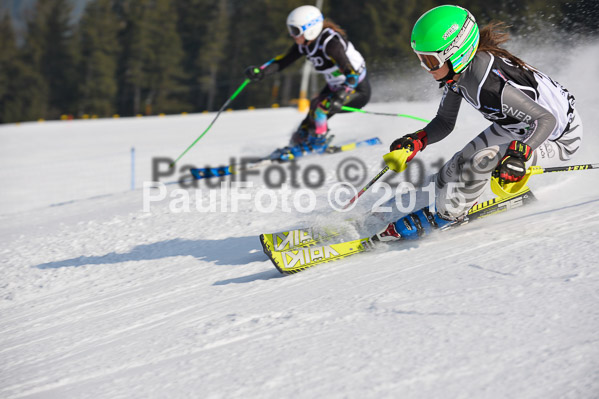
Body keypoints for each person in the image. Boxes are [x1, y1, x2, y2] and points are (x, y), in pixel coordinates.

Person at [375, 5, 582, 241]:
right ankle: (413, 202)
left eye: (431, 61)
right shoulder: (458, 74)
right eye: (421, 60)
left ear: (455, 53)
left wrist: (519, 155)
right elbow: (444, 121)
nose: (426, 68)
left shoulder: (489, 85)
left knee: (480, 161)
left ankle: (446, 215)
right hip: (516, 127)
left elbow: (546, 119)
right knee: (457, 164)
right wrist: (417, 140)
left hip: (557, 137)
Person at [244, 5, 371, 147]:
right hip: (335, 88)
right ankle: (297, 146)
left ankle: (318, 142)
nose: (292, 35)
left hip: (356, 90)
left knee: (321, 109)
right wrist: (261, 72)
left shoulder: (331, 44)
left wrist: (340, 96)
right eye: (291, 30)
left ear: (310, 30)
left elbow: (352, 75)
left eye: (295, 31)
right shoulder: (304, 45)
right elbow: (282, 61)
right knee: (305, 127)